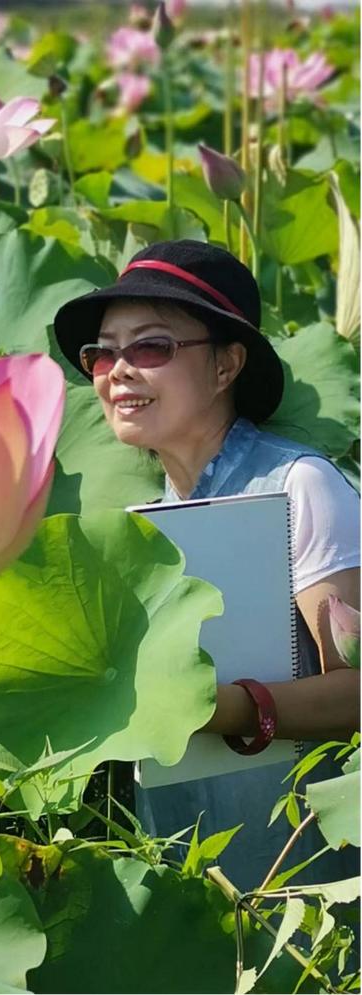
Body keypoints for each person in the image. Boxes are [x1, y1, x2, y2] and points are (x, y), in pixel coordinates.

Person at [53, 239, 360, 889]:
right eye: (102, 353)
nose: (118, 371)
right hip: (182, 873)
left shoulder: (301, 488)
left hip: (307, 881)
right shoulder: (139, 526)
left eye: (151, 347)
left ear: (226, 366)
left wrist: (233, 709)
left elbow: (358, 690)